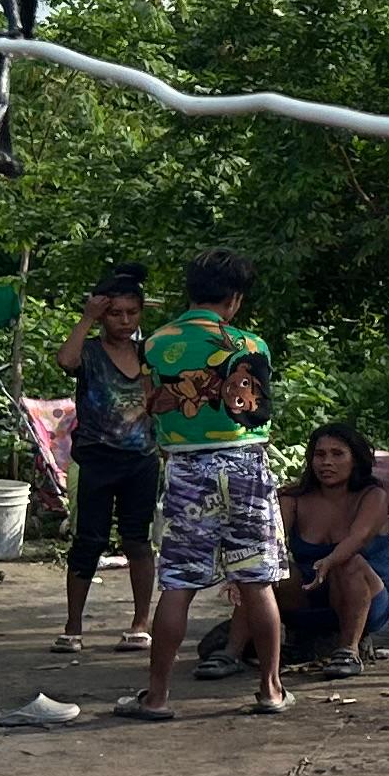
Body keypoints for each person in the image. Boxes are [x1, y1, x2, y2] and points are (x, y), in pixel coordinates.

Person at [123, 249, 286, 719]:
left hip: (187, 470)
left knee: (178, 583)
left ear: (189, 292)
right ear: (234, 299)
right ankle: (271, 690)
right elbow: (259, 410)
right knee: (257, 582)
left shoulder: (154, 343)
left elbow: (153, 404)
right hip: (247, 467)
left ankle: (156, 697)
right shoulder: (251, 346)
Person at [52, 264, 158, 656]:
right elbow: (66, 360)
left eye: (133, 313)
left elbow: (162, 400)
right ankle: (73, 625)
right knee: (88, 542)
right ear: (102, 313)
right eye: (116, 313)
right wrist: (86, 318)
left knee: (138, 541)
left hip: (141, 461)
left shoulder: (149, 354)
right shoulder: (91, 352)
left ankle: (140, 622)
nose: (125, 321)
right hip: (95, 459)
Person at [273, 422, 389, 679]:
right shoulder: (294, 499)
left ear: (355, 459)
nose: (326, 462)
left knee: (348, 563)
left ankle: (349, 651)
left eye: (337, 454)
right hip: (308, 598)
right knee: (264, 572)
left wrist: (329, 561)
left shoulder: (373, 496)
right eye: (320, 455)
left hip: (366, 601)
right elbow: (271, 543)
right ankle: (230, 652)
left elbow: (358, 537)